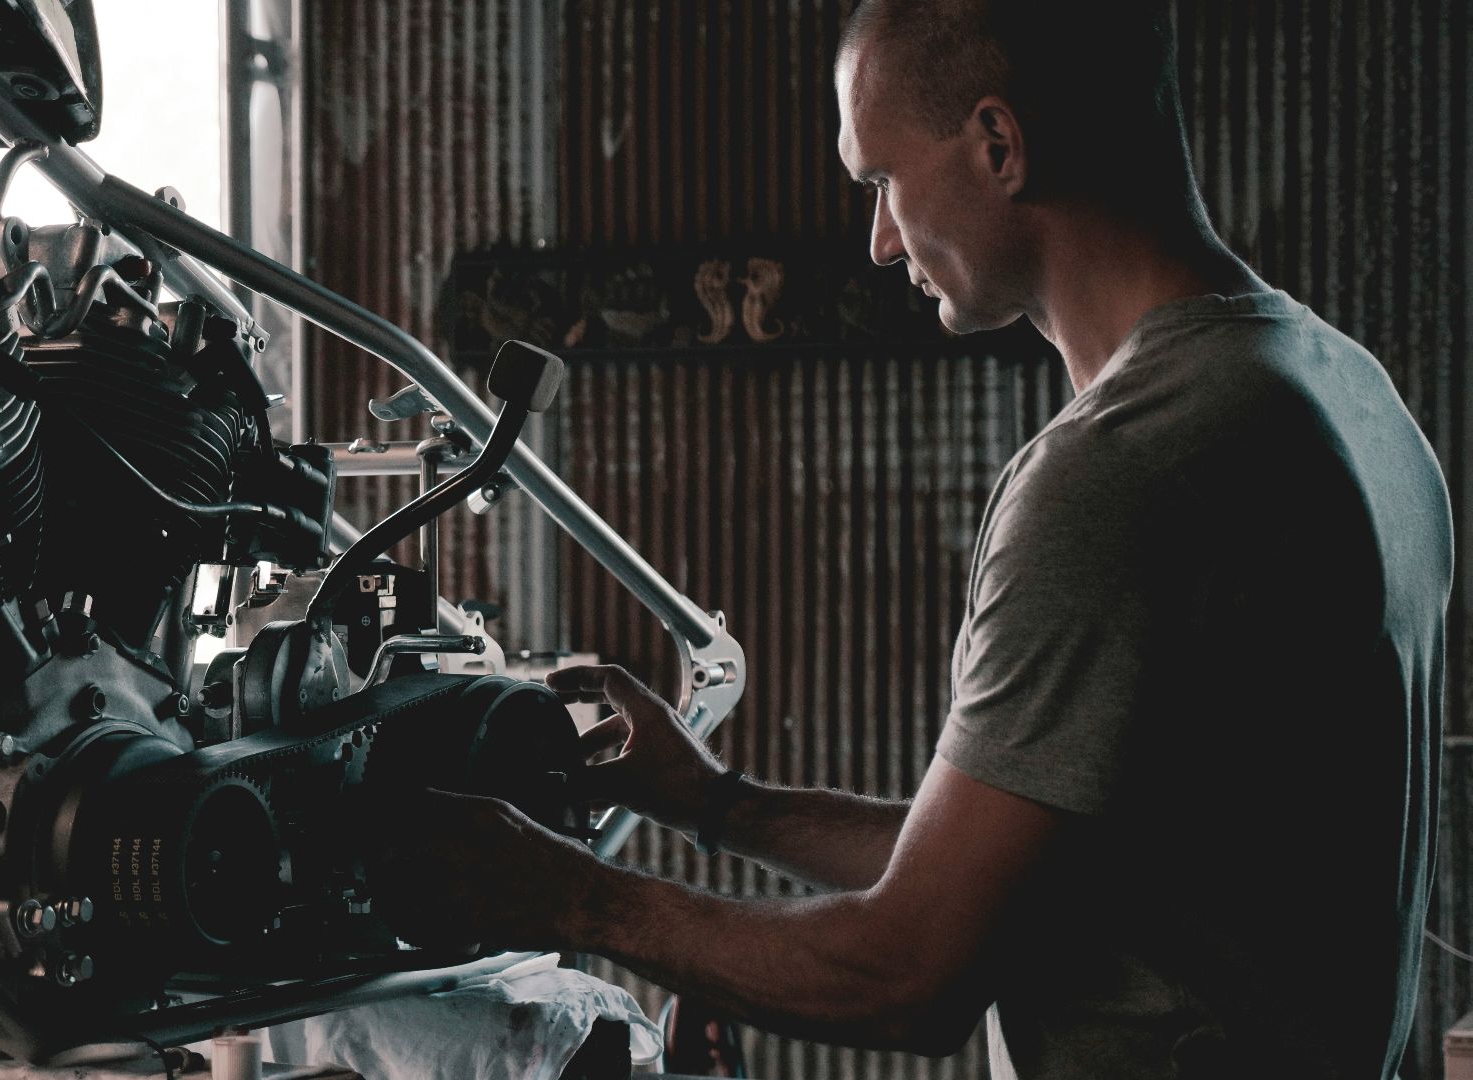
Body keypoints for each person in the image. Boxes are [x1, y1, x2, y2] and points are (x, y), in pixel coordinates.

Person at [376, 1, 1453, 1076]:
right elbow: (1018, 866)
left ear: (999, 145)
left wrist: (563, 893)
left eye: (881, 182)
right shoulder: (1349, 398)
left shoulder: (1120, 470)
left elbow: (907, 974)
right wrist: (711, 803)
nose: (880, 239)